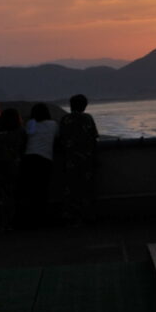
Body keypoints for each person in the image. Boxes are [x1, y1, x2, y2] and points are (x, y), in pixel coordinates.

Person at [56, 94, 99, 226]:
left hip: (70, 160)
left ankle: (71, 216)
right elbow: (94, 137)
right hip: (86, 159)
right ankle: (87, 216)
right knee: (86, 188)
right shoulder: (87, 118)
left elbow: (60, 139)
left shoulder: (65, 119)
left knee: (71, 188)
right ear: (84, 106)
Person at [17, 102, 57, 227]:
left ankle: (27, 220)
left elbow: (28, 136)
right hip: (44, 159)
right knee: (42, 190)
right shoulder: (53, 124)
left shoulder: (31, 123)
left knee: (29, 190)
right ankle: (41, 219)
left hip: (28, 159)